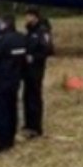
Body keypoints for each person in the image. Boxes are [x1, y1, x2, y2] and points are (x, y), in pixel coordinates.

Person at [0, 15, 29, 153]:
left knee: (1, 112)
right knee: (12, 109)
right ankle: (10, 138)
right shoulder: (21, 38)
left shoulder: (1, 40)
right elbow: (24, 60)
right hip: (14, 80)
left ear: (4, 24)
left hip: (0, 81)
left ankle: (3, 143)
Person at [23, 8, 55, 138]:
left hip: (36, 68)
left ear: (35, 17)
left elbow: (49, 50)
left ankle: (36, 127)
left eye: (29, 16)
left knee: (35, 96)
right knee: (27, 95)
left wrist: (34, 57)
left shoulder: (42, 31)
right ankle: (28, 124)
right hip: (27, 68)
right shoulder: (30, 30)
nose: (26, 18)